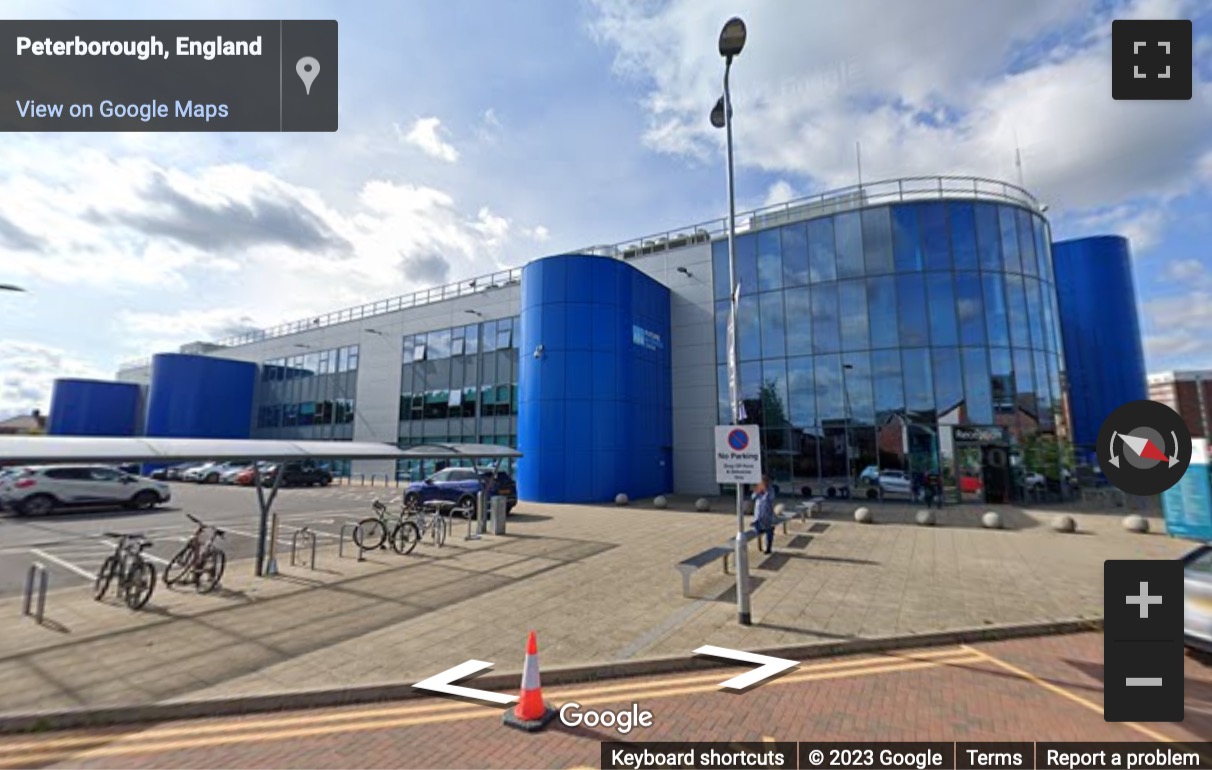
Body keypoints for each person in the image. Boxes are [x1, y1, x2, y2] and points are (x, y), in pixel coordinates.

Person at [751, 474, 776, 555]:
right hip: (758, 515)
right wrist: (758, 491)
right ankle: (759, 529)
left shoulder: (770, 490)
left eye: (764, 482)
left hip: (767, 515)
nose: (763, 484)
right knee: (757, 529)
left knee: (769, 532)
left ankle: (768, 548)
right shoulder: (758, 488)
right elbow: (753, 497)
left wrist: (765, 492)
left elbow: (771, 499)